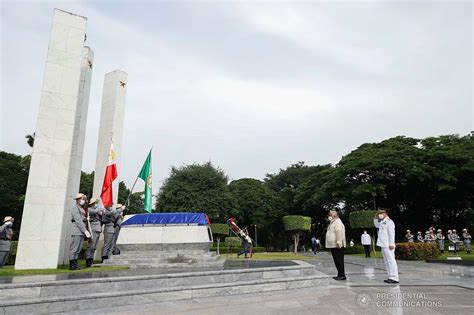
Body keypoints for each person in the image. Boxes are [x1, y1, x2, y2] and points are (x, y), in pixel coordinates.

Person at [373, 209, 399, 284]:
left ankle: (395, 277)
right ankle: (390, 276)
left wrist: (391, 243)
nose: (379, 214)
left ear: (385, 213)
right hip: (383, 244)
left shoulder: (389, 222)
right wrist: (375, 218)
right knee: (387, 261)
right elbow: (376, 225)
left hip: (388, 245)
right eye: (379, 213)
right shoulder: (382, 222)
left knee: (391, 261)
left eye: (381, 213)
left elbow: (391, 233)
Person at [70, 193, 91, 270]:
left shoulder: (81, 208)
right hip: (77, 229)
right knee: (74, 248)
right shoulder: (75, 208)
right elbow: (78, 220)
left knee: (78, 249)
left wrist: (86, 219)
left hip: (81, 230)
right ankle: (72, 265)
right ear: (78, 200)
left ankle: (75, 264)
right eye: (82, 199)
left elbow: (82, 218)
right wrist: (85, 230)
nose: (83, 200)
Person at [325, 210, 346, 281]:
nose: (329, 216)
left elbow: (339, 232)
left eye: (330, 214)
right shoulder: (333, 222)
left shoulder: (337, 222)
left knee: (339, 260)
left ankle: (342, 275)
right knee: (337, 260)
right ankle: (339, 274)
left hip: (337, 245)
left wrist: (339, 242)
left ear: (334, 215)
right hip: (333, 245)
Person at [84, 198, 104, 267]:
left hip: (97, 228)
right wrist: (99, 206)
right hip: (93, 228)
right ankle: (88, 260)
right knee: (91, 246)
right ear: (92, 204)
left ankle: (91, 259)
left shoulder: (95, 209)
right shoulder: (89, 209)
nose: (96, 204)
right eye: (95, 203)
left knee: (94, 246)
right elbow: (96, 211)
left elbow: (101, 214)